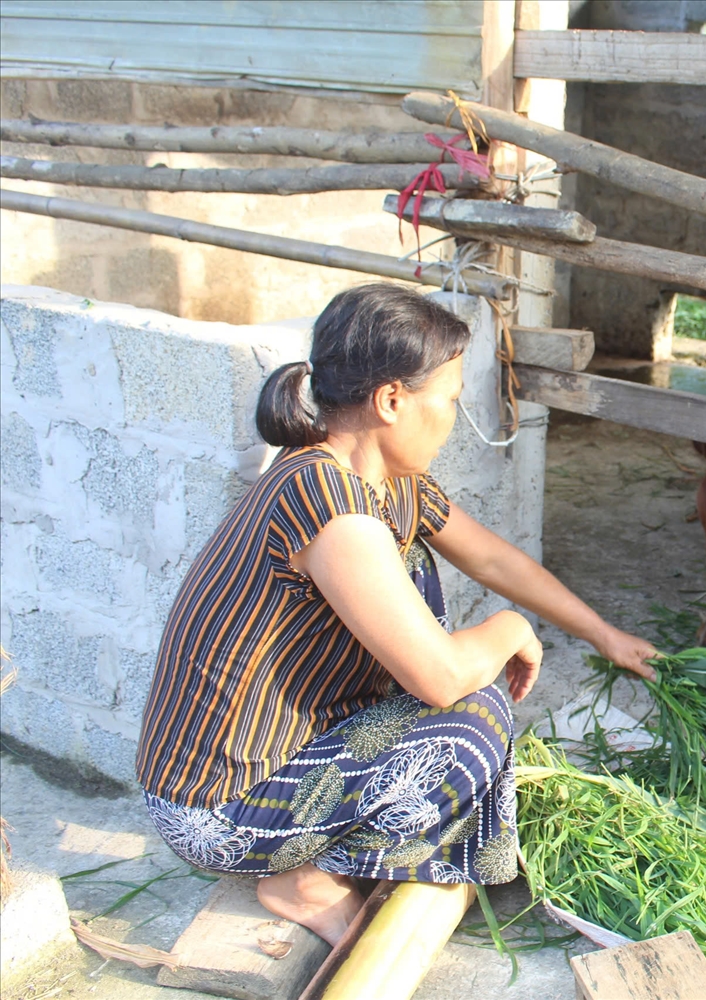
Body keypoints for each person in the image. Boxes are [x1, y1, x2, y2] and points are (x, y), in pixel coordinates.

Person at [135, 283, 657, 945]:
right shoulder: (329, 504)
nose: (454, 415)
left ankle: (342, 852)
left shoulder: (385, 485)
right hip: (215, 809)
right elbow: (439, 679)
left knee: (430, 595)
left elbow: (496, 561)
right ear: (391, 400)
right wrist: (511, 629)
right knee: (469, 723)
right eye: (449, 398)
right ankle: (303, 875)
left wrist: (607, 637)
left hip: (278, 757)